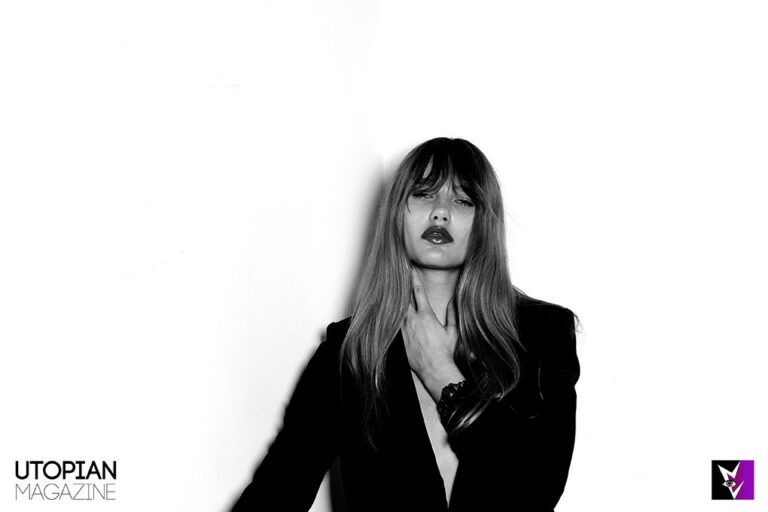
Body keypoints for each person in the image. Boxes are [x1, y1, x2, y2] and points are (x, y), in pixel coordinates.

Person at [231, 137, 580, 512]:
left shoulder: (542, 334)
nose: (440, 212)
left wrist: (440, 374)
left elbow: (533, 493)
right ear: (397, 212)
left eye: (463, 200)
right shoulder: (348, 352)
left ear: (485, 222)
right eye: (424, 194)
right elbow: (274, 494)